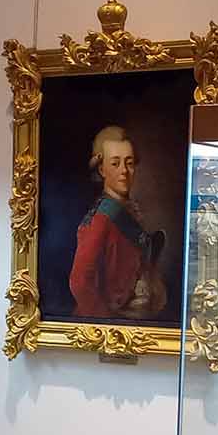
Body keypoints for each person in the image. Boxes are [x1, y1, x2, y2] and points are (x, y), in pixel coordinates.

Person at [68, 125, 167, 320]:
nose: (124, 171)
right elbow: (79, 282)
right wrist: (106, 322)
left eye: (129, 163)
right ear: (102, 169)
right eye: (115, 163)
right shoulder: (100, 221)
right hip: (108, 324)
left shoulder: (130, 211)